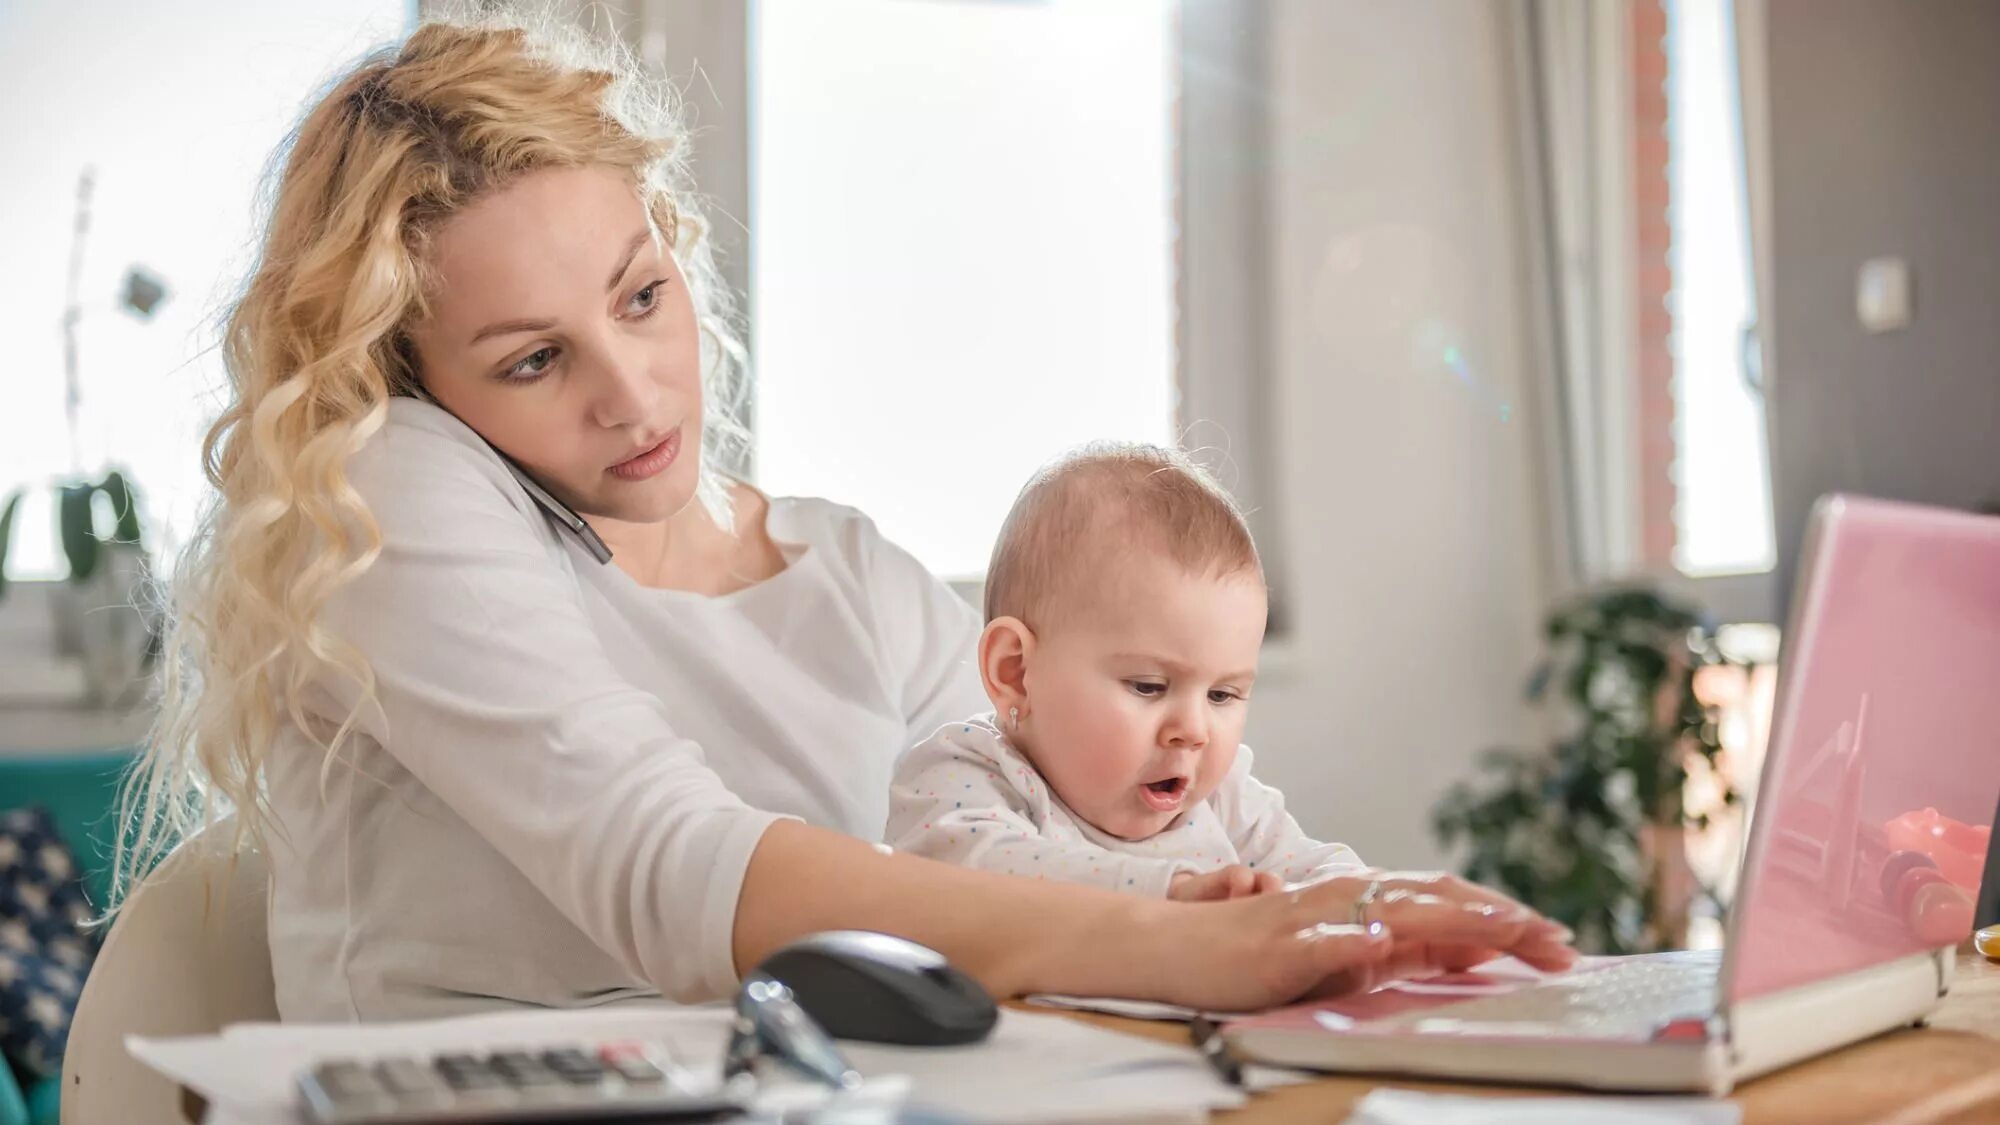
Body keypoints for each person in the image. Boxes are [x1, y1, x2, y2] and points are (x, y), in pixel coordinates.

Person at [114, 12, 1575, 1023]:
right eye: (534, 359)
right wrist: (1209, 949)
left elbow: (1043, 846)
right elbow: (673, 866)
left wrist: (1347, 908)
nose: (635, 397)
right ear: (409, 374)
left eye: (641, 296)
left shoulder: (849, 567)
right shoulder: (379, 493)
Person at [888, 444, 1366, 902]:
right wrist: (1169, 893)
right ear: (1016, 672)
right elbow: (967, 881)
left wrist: (1378, 900)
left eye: (1221, 696)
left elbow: (1317, 873)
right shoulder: (966, 775)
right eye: (1149, 687)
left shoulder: (1224, 799)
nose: (1193, 731)